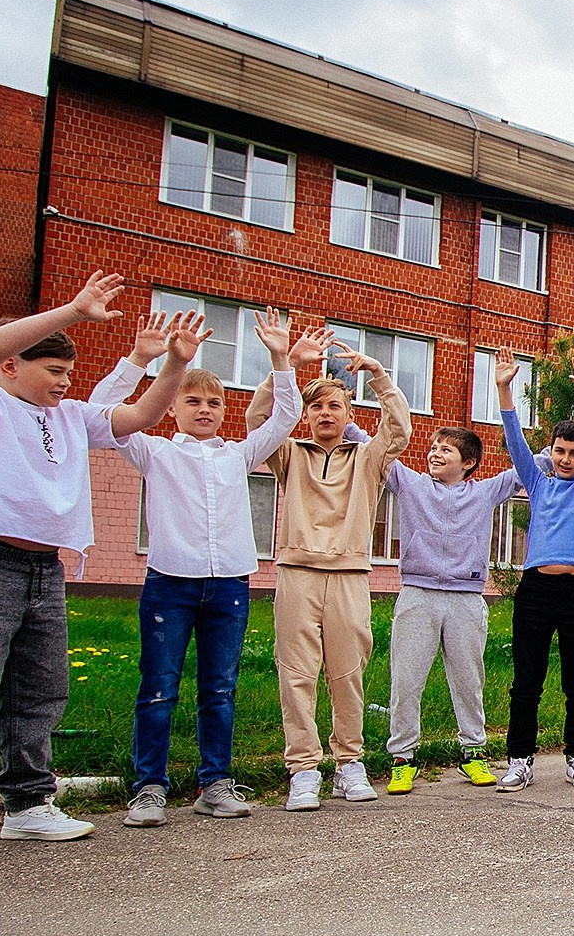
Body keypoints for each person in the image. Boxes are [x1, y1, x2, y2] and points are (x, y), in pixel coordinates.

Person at [0, 272, 198, 867]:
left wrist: (173, 364)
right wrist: (74, 311)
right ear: (13, 367)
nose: (66, 384)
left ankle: (27, 804)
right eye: (54, 372)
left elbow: (139, 414)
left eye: (69, 375)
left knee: (39, 691)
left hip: (43, 567)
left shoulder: (70, 419)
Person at [89, 308, 331, 826]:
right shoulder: (152, 450)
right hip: (169, 587)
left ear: (225, 410)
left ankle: (215, 783)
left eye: (214, 402)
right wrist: (146, 363)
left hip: (228, 587)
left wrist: (279, 357)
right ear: (171, 405)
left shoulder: (239, 455)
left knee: (219, 688)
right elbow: (101, 412)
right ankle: (149, 787)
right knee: (159, 688)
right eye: (193, 400)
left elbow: (285, 415)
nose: (205, 408)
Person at [245, 340, 411, 811]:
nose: (323, 414)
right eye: (314, 407)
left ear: (346, 412)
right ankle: (302, 769)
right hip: (296, 572)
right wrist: (288, 367)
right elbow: (256, 424)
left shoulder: (366, 458)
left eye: (333, 406)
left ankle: (349, 764)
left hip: (349, 575)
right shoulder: (290, 454)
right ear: (304, 414)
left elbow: (398, 432)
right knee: (296, 672)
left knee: (347, 672)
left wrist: (378, 373)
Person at [379, 388, 526, 796]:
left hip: (465, 598)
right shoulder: (409, 484)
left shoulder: (483, 492)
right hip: (417, 595)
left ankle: (473, 753)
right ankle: (403, 758)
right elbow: (372, 450)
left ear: (469, 463)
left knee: (468, 678)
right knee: (406, 679)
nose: (436, 454)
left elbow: (527, 469)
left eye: (446, 449)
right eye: (434, 447)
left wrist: (563, 444)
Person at [494, 352, 574, 793]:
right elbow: (512, 439)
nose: (566, 458)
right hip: (536, 590)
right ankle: (520, 758)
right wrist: (505, 388)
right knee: (527, 680)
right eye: (560, 451)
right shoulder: (538, 480)